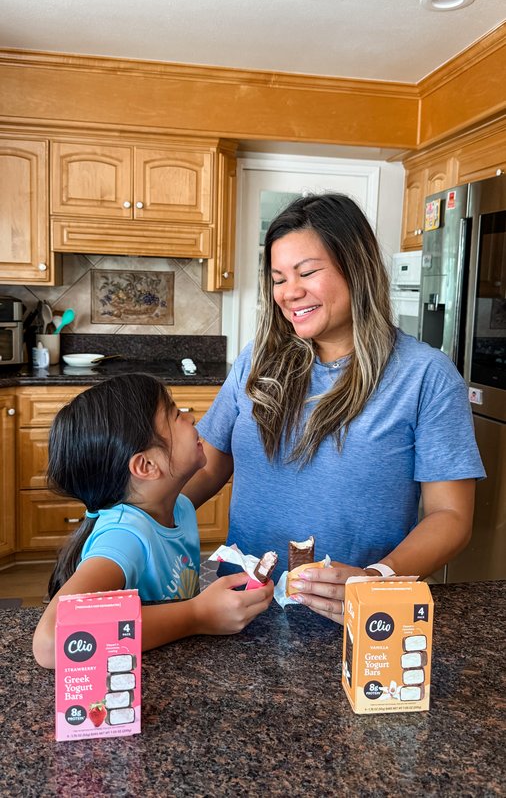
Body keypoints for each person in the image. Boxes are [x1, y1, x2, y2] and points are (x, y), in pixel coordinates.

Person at [183, 192, 485, 624]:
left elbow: (451, 515)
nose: (290, 293)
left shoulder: (426, 377)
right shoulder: (256, 362)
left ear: (355, 268)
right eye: (279, 278)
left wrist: (375, 580)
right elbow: (210, 466)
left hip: (355, 620)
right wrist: (138, 518)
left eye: (307, 272)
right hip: (239, 609)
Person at [32, 373, 273, 669]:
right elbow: (50, 642)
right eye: (174, 415)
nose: (190, 417)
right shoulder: (125, 535)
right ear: (146, 465)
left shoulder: (179, 508)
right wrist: (197, 615)